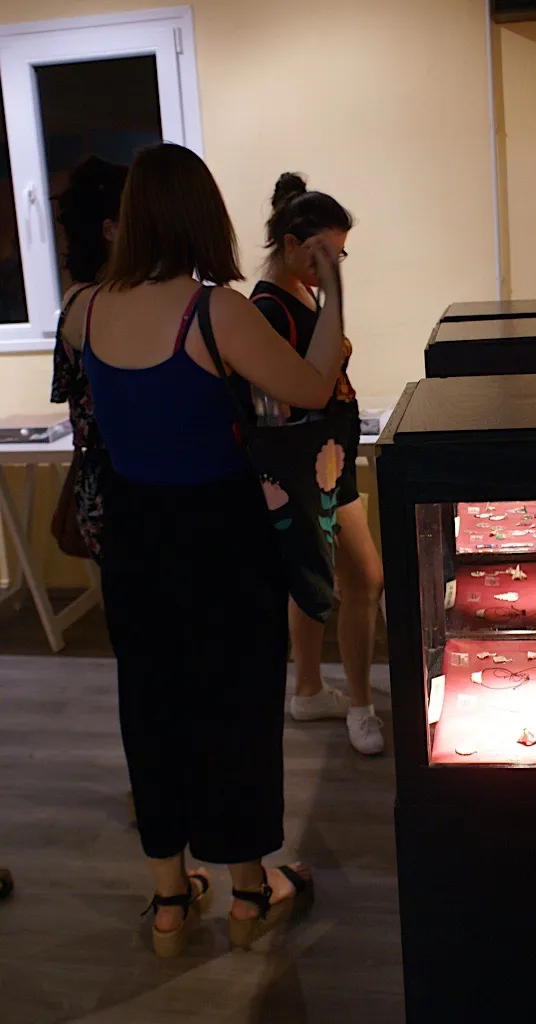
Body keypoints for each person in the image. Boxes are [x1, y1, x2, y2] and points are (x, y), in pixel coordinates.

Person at [73, 143, 344, 956]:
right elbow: (312, 386)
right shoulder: (213, 311)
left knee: (151, 708)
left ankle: (168, 901)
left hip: (133, 539)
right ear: (201, 214)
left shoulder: (81, 309)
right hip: (219, 539)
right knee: (235, 710)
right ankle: (250, 895)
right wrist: (334, 289)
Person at [253, 173, 385, 756]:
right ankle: (360, 704)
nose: (331, 266)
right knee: (364, 579)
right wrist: (333, 292)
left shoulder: (302, 295)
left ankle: (308, 691)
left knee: (315, 579)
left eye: (338, 255)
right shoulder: (267, 308)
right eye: (323, 254)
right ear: (290, 244)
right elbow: (298, 390)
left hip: (326, 463)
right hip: (307, 471)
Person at [51, 155, 128, 560]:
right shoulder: (92, 303)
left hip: (116, 474)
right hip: (116, 482)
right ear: (110, 230)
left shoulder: (86, 298)